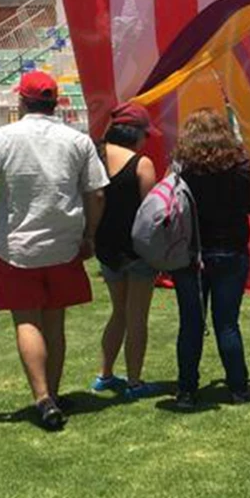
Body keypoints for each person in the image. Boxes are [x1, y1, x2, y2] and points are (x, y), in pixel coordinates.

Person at [0, 71, 109, 430]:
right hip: (65, 243)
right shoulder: (77, 139)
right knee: (55, 321)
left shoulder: (2, 136)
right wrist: (90, 236)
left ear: (22, 101)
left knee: (26, 319)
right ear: (55, 101)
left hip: (17, 248)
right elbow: (97, 193)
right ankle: (52, 394)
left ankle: (41, 398)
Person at [171, 108, 250, 409]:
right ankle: (239, 388)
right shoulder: (248, 164)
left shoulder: (181, 166)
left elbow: (169, 205)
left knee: (191, 324)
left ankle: (186, 391)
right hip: (231, 251)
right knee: (227, 323)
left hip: (190, 254)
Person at [91, 102, 158, 399]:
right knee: (137, 317)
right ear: (136, 133)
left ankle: (105, 374)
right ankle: (134, 381)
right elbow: (152, 213)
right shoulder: (142, 164)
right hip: (137, 251)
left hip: (106, 248)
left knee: (118, 312)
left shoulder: (96, 157)